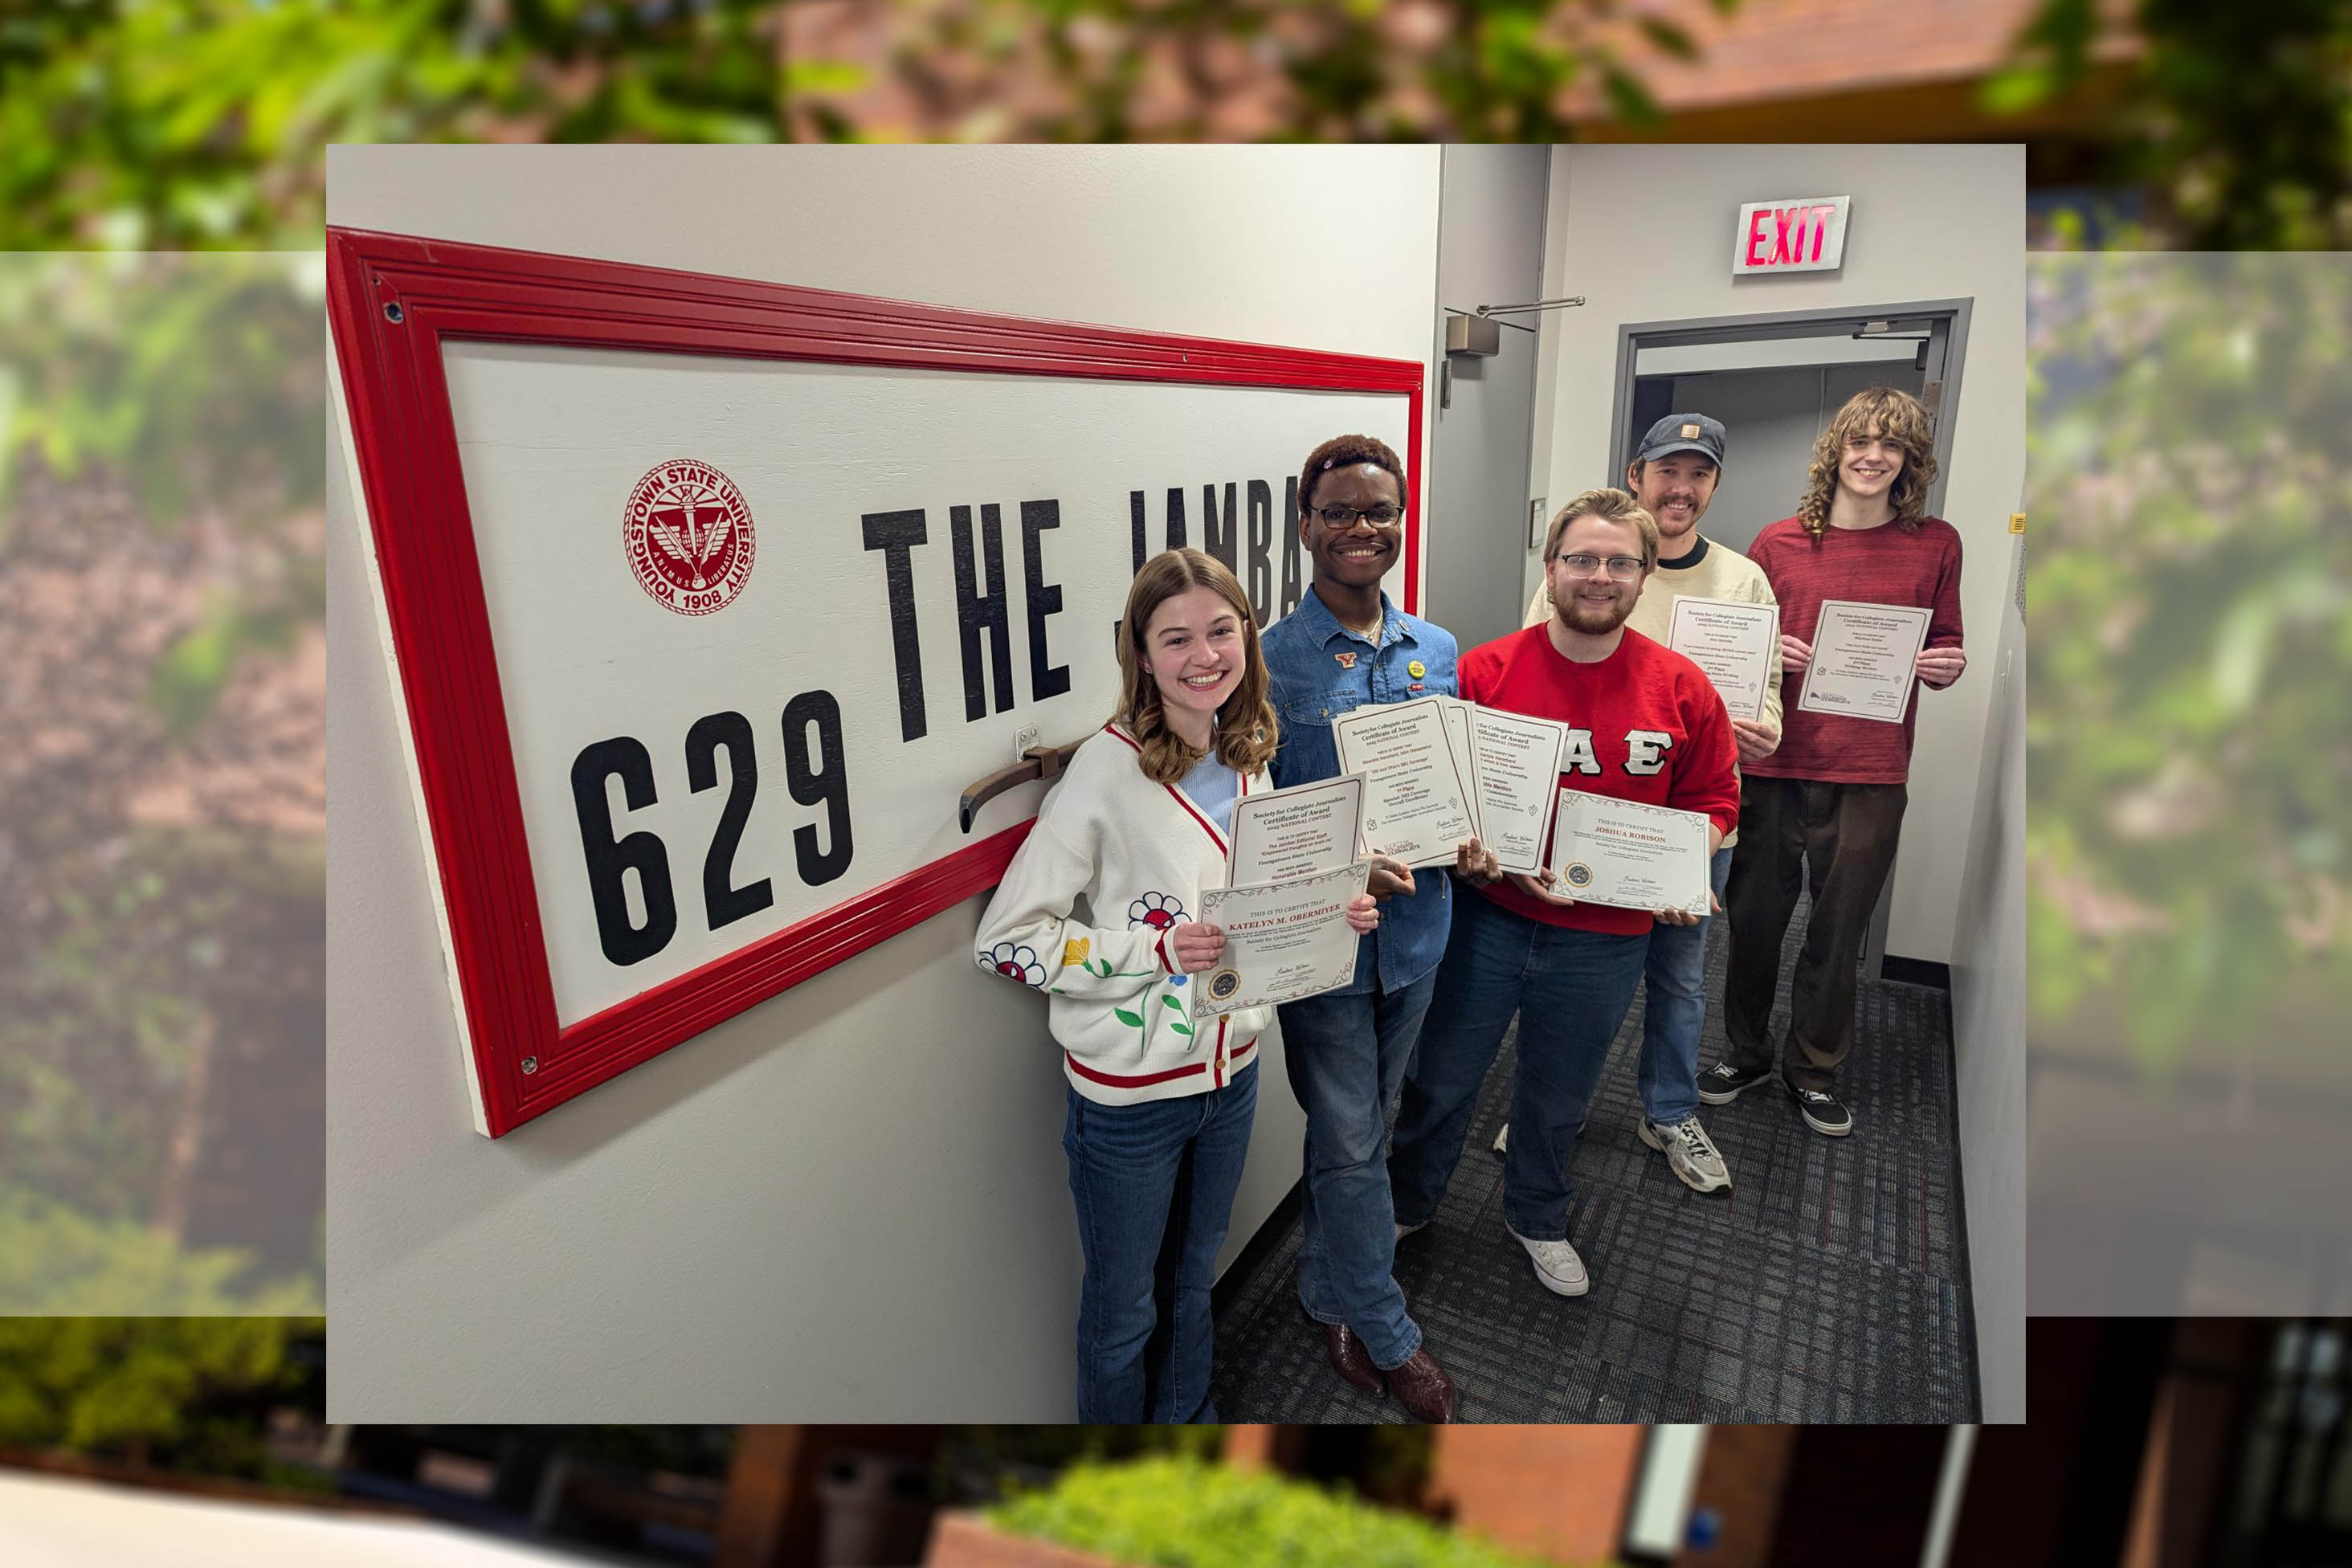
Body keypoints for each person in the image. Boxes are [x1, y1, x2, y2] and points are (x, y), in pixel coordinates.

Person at [973, 547, 1378, 1423]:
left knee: (1195, 1285)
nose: (1205, 655)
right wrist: (1152, 952)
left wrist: (1328, 915)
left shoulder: (1246, 753)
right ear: (1142, 655)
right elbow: (1007, 941)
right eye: (1177, 637)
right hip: (1128, 1100)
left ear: (1247, 640)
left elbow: (1250, 908)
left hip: (1230, 1078)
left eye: (1222, 631)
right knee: (1124, 1317)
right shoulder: (1104, 773)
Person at [1388, 489, 1740, 1299]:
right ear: (1551, 568)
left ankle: (1537, 1215)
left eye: (1620, 561)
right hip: (1489, 921)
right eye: (1581, 557)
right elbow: (1443, 797)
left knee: (1559, 1092)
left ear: (1645, 575)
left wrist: (1685, 866)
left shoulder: (1683, 688)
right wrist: (1465, 850)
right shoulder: (1485, 670)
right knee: (1441, 1076)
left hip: (1607, 939)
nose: (1599, 574)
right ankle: (1409, 1201)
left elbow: (1715, 800)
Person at [1260, 432, 1475, 1423]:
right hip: (1325, 942)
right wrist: (1344, 865)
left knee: (1361, 1130)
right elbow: (1255, 820)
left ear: (1399, 522)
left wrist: (1472, 832)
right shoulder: (1267, 660)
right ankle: (1387, 1330)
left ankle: (1320, 1291)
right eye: (1338, 511)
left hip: (1419, 933)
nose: (1360, 528)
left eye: (1378, 511)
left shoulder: (1437, 650)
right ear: (1305, 526)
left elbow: (1451, 785)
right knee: (1350, 1139)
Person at [1516, 412, 1779, 1194]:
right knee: (1561, 968)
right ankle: (1542, 1107)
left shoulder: (1742, 581)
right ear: (1637, 475)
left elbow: (1766, 699)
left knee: (1678, 976)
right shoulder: (1590, 567)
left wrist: (1762, 732)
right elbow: (1535, 679)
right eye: (1668, 469)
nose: (1681, 486)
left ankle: (1668, 1110)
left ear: (1713, 486)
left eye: (1698, 473)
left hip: (1692, 826)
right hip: (1590, 813)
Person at [1701, 386, 1966, 1138]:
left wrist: (1947, 666)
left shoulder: (1936, 543)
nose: (1874, 457)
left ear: (1911, 461)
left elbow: (1946, 642)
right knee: (1753, 921)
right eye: (1861, 442)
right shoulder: (1778, 543)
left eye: (1893, 446)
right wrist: (1767, 651)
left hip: (1874, 769)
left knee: (1838, 930)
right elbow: (1733, 652)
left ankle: (1813, 1068)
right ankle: (1744, 1053)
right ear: (1837, 452)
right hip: (1776, 762)